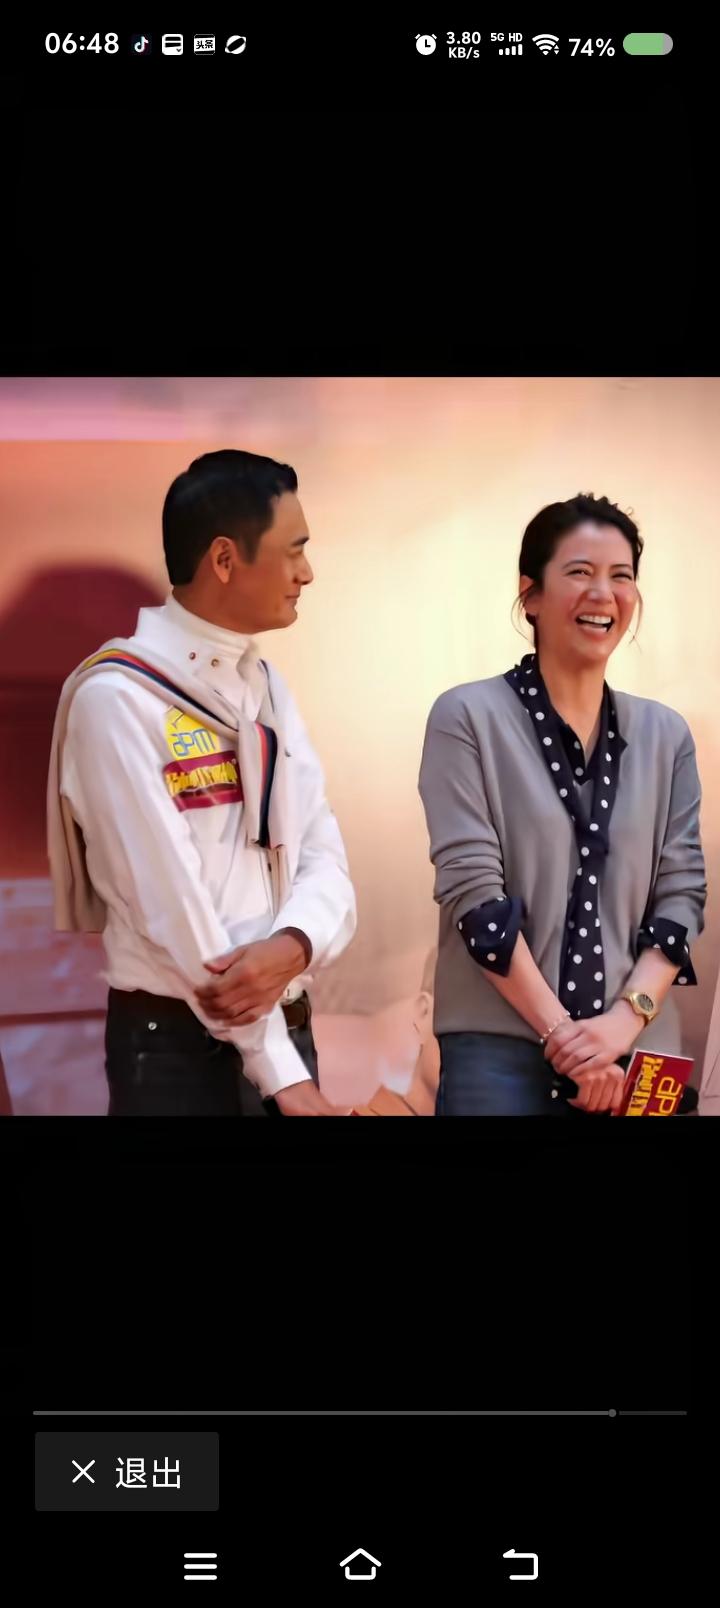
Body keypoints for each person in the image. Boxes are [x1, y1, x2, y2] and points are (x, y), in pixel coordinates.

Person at [47, 449, 357, 1116]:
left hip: (288, 1027)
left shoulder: (264, 686)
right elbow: (172, 907)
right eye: (294, 550)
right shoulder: (117, 699)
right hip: (177, 1051)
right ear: (224, 559)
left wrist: (294, 943)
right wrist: (281, 1073)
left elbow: (323, 851)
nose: (307, 572)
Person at [418, 493, 706, 1116]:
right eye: (579, 571)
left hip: (639, 1045)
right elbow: (475, 897)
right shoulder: (466, 717)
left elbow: (682, 895)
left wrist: (622, 1024)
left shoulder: (667, 735)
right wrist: (567, 1039)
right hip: (499, 1049)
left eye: (621, 575)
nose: (603, 593)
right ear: (530, 594)